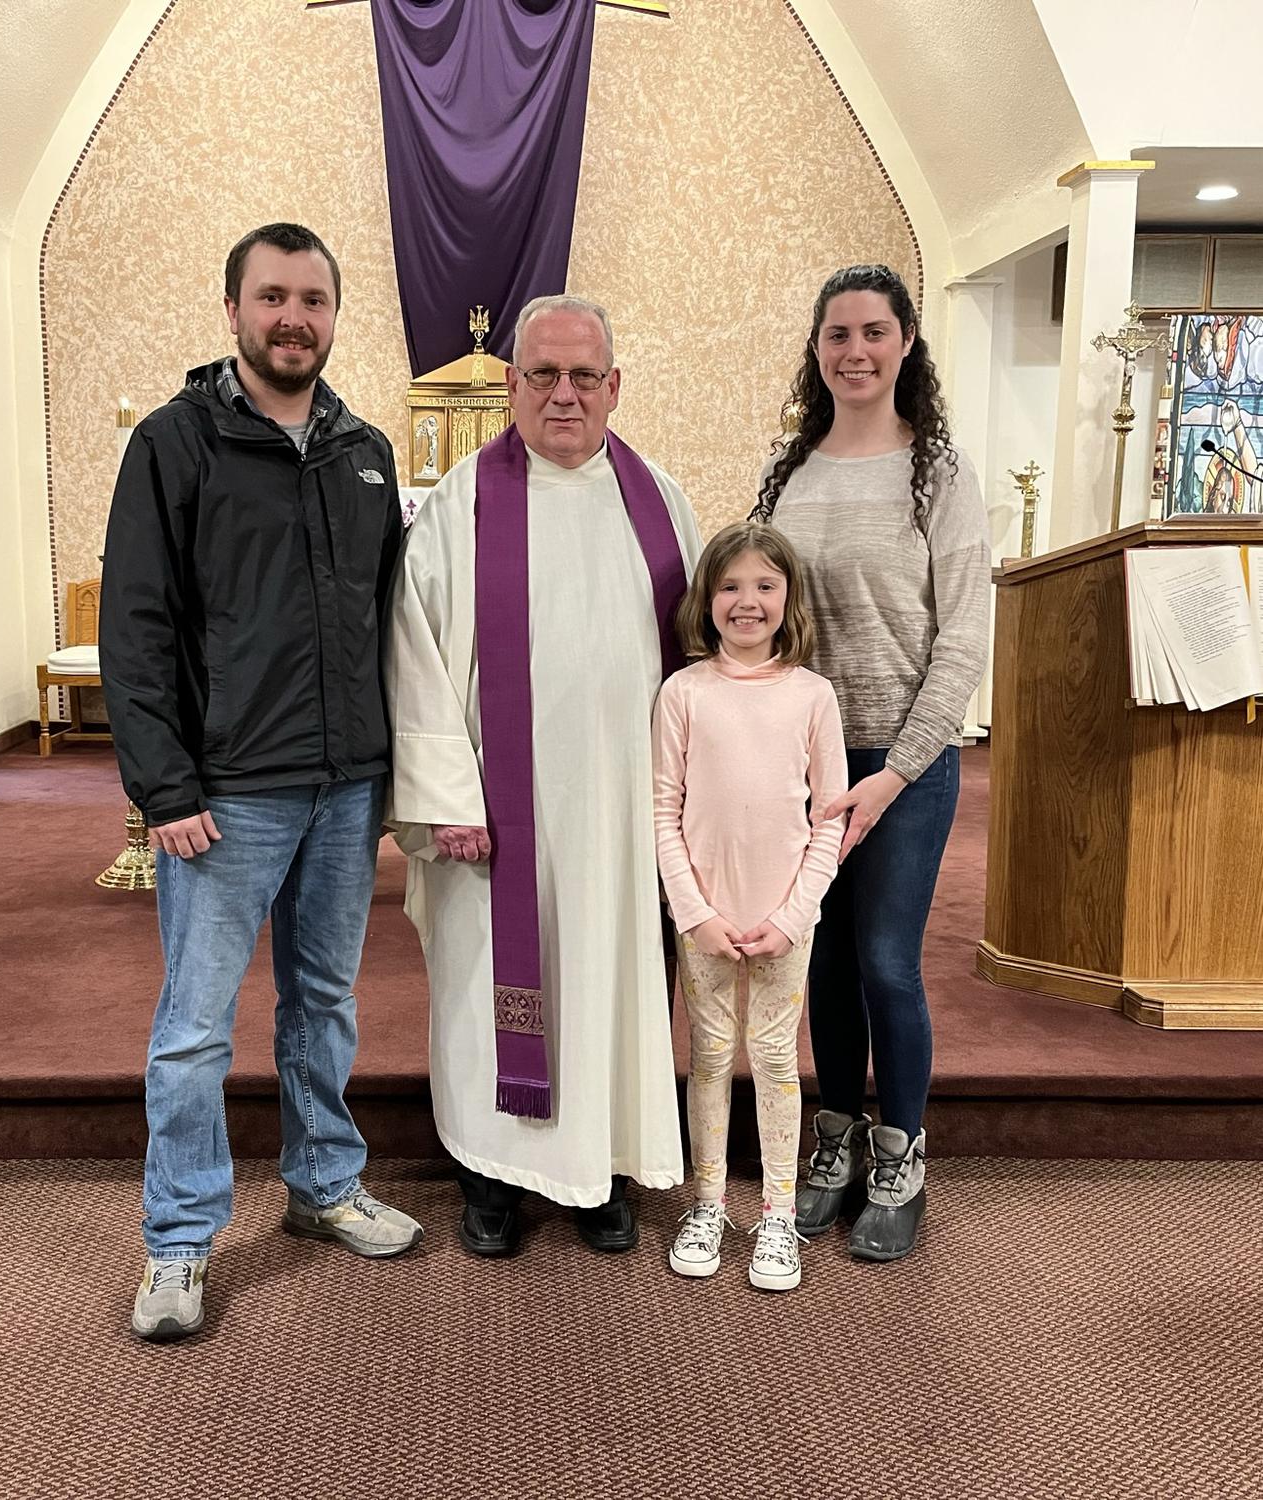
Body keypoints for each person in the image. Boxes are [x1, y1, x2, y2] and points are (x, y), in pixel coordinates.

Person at [101, 222, 423, 1343]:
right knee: (195, 1026)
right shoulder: (175, 443)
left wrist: (391, 773)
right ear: (233, 308)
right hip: (228, 792)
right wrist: (164, 786)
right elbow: (136, 625)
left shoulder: (365, 451)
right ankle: (180, 1238)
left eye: (313, 300)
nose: (294, 318)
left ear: (335, 316)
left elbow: (390, 624)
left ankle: (324, 1186)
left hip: (345, 785)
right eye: (273, 297)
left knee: (324, 1002)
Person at [384, 294, 702, 1258]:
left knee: (612, 981)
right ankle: (491, 1176)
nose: (564, 394)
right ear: (512, 385)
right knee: (491, 986)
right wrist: (446, 801)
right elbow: (414, 658)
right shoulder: (460, 505)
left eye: (584, 376)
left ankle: (601, 1170)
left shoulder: (663, 504)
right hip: (497, 818)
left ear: (616, 385)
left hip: (625, 815)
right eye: (543, 375)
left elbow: (703, 660)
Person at [752, 264, 990, 1264]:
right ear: (817, 348)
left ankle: (902, 1157)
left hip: (904, 760)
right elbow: (759, 604)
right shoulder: (787, 471)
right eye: (837, 335)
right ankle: (836, 1140)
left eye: (874, 332)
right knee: (826, 962)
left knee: (887, 961)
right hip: (805, 759)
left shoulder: (940, 475)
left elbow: (964, 639)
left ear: (906, 344)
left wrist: (895, 772)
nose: (855, 352)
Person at [653, 521, 846, 1290]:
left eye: (765, 585)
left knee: (772, 1059)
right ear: (707, 598)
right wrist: (694, 913)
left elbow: (829, 821)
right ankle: (707, 1205)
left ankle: (776, 1214)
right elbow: (663, 812)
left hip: (783, 920)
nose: (747, 601)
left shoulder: (812, 696)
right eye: (730, 585)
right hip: (705, 918)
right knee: (707, 1056)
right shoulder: (684, 693)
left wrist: (792, 918)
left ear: (788, 597)